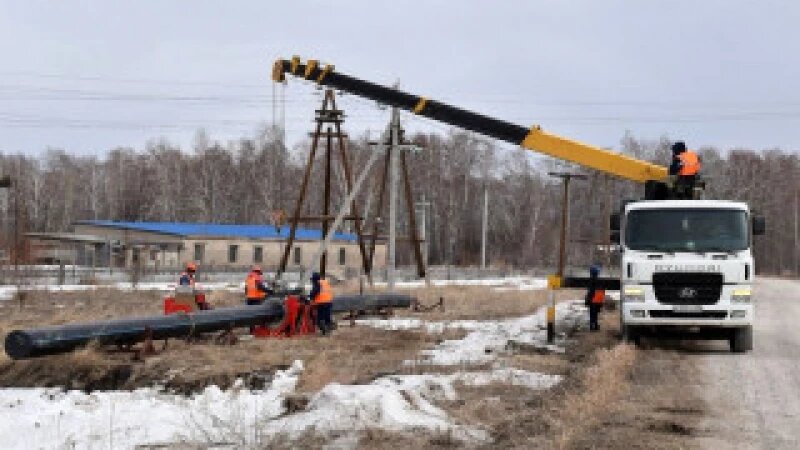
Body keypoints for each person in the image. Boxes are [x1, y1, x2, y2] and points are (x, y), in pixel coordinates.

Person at [585, 265, 605, 331]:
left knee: (591, 313)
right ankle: (595, 325)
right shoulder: (600, 281)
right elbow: (602, 291)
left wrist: (587, 299)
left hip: (592, 299)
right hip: (598, 300)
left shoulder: (591, 281)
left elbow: (590, 291)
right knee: (596, 313)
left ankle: (591, 326)